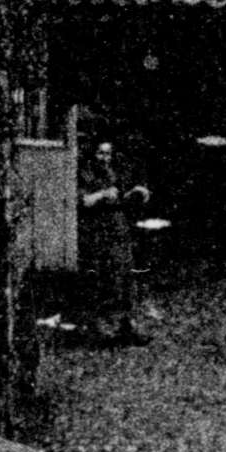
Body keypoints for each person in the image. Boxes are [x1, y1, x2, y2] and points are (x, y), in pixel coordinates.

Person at [80, 141, 150, 345]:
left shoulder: (113, 172)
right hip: (97, 230)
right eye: (100, 153)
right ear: (93, 155)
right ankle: (103, 330)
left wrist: (135, 193)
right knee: (104, 278)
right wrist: (102, 195)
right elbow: (82, 201)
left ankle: (126, 327)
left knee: (126, 277)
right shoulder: (84, 173)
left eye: (108, 154)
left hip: (118, 228)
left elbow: (119, 198)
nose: (105, 158)